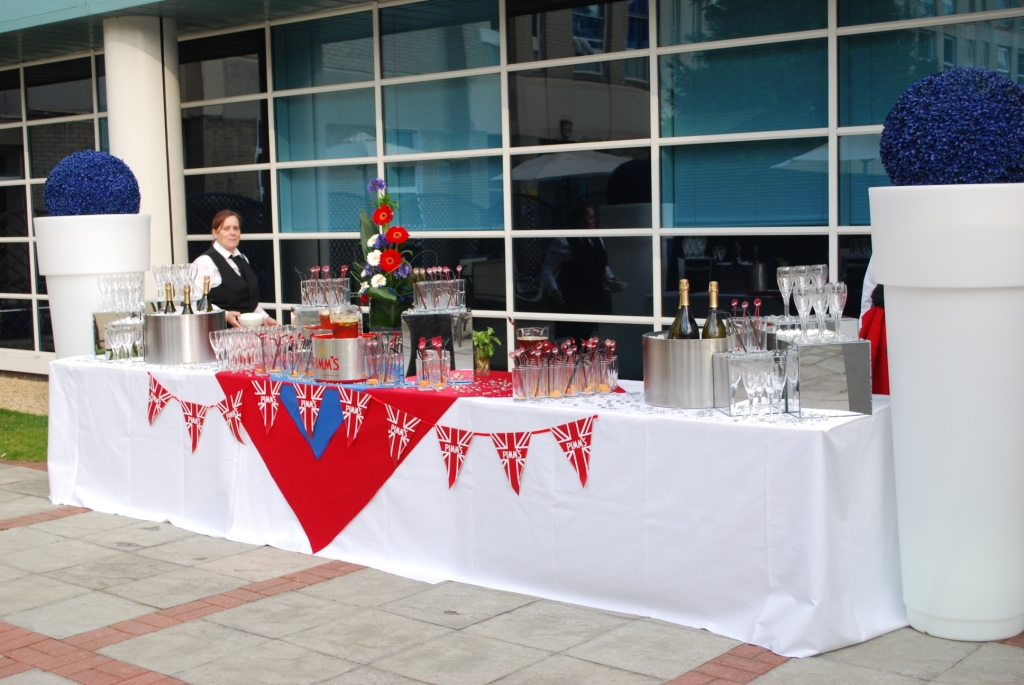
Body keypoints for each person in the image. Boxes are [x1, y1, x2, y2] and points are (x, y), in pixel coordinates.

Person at [541, 203, 621, 342]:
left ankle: (580, 358)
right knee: (577, 333)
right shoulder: (564, 241)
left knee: (587, 331)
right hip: (575, 297)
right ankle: (577, 359)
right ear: (579, 221)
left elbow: (601, 264)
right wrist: (554, 290)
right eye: (590, 218)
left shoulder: (597, 239)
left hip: (594, 296)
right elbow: (548, 268)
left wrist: (611, 278)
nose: (594, 221)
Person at [192, 210, 277, 328]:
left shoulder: (243, 259)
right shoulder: (205, 262)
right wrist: (225, 315)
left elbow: (248, 301)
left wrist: (264, 317)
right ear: (215, 233)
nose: (232, 233)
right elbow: (196, 303)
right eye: (226, 228)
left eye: (236, 228)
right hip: (219, 334)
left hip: (246, 335)